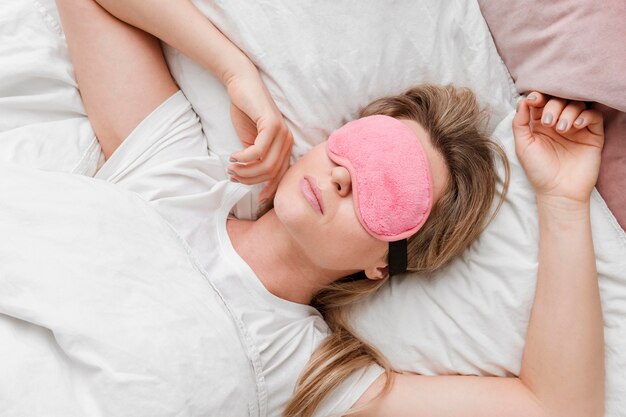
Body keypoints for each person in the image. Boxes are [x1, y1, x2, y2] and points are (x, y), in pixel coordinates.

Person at [55, 1, 605, 417]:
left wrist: (563, 200)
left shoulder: (304, 369)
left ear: (382, 263)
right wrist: (233, 70)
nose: (346, 178)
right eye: (359, 148)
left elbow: (558, 408)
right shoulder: (175, 175)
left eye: (385, 193)